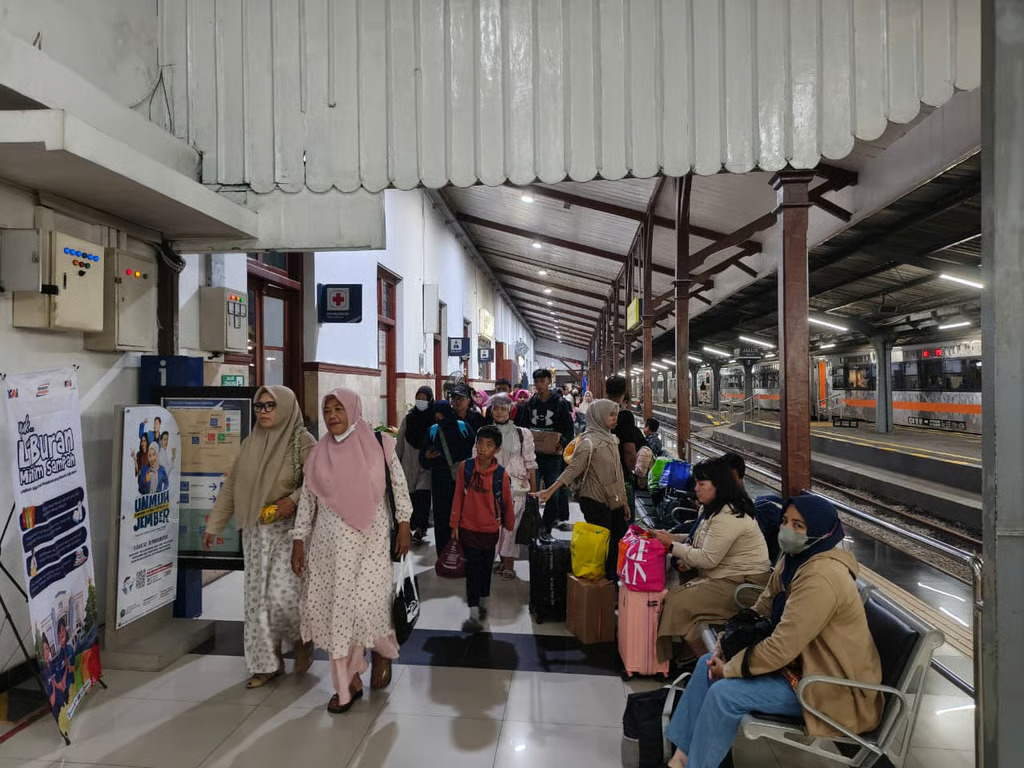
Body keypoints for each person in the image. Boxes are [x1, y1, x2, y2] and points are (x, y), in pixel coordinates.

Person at [663, 495, 883, 768]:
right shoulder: (794, 560)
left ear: (822, 532)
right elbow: (761, 608)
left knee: (725, 693)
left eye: (798, 525)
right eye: (785, 521)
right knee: (705, 665)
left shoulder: (822, 578)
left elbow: (782, 647)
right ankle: (680, 759)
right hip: (799, 666)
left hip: (830, 688)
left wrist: (730, 669)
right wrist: (724, 645)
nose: (787, 530)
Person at [290, 389, 413, 714]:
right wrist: (299, 540)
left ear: (353, 410)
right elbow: (308, 500)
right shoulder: (319, 454)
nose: (332, 416)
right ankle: (348, 684)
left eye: (338, 409)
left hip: (371, 544)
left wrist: (404, 523)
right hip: (329, 550)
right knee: (339, 612)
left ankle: (382, 650)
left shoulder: (380, 444)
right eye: (327, 410)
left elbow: (399, 485)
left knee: (368, 606)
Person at [204, 386, 316, 688]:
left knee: (283, 596)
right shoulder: (250, 443)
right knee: (257, 600)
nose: (264, 411)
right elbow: (232, 486)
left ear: (286, 407)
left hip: (290, 530)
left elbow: (318, 482)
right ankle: (266, 665)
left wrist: (292, 500)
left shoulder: (303, 441)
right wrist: (214, 525)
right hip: (256, 530)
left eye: (271, 405)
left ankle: (303, 640)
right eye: (259, 406)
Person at [652, 457, 772, 662]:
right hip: (726, 577)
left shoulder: (729, 517)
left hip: (743, 585)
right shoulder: (715, 509)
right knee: (681, 597)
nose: (696, 489)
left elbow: (707, 559)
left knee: (676, 600)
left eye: (702, 484)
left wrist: (671, 545)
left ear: (719, 485)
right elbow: (700, 540)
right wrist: (672, 537)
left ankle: (687, 662)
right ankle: (698, 660)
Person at [532, 399, 629, 582]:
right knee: (603, 545)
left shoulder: (612, 439)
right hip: (595, 500)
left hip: (614, 500)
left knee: (618, 541)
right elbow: (572, 470)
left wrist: (623, 501)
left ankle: (611, 581)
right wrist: (550, 490)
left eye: (616, 414)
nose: (615, 418)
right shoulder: (587, 442)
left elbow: (618, 474)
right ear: (598, 416)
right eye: (611, 414)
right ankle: (603, 584)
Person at [451, 425, 515, 633]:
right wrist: (454, 524)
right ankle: (473, 610)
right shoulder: (466, 467)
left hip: (489, 530)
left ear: (497, 449)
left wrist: (509, 524)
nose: (483, 448)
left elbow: (507, 501)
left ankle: (483, 603)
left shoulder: (501, 474)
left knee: (486, 568)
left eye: (489, 445)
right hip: (468, 527)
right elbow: (458, 495)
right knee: (472, 570)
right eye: (480, 443)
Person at [483, 393, 537, 579]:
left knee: (510, 527)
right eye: (495, 408)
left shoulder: (522, 434)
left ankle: (508, 564)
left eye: (503, 408)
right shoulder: (484, 432)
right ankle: (499, 560)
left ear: (510, 410)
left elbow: (530, 463)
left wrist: (534, 491)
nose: (499, 412)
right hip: (490, 487)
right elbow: (477, 459)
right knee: (493, 527)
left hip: (516, 488)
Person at [516, 369, 575, 536]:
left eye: (542, 381)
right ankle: (533, 524)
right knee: (531, 491)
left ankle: (547, 526)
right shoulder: (530, 404)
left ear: (549, 381)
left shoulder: (560, 403)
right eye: (537, 381)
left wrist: (561, 443)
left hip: (553, 457)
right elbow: (523, 426)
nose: (539, 385)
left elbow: (568, 429)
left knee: (552, 492)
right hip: (532, 456)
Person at [420, 400, 476, 554]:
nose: (439, 419)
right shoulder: (432, 431)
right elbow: (423, 461)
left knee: (464, 517)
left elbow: (475, 452)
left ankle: (464, 554)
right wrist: (427, 456)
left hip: (463, 480)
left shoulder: (463, 427)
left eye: (442, 415)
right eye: (436, 416)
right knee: (442, 519)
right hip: (440, 484)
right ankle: (444, 556)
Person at [396, 386, 435, 544]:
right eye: (418, 398)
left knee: (422, 495)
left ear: (430, 400)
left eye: (424, 399)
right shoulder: (409, 419)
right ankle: (412, 525)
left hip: (426, 465)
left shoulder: (433, 420)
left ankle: (420, 528)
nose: (420, 401)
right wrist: (395, 461)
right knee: (410, 496)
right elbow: (400, 441)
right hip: (408, 461)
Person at [605, 375, 646, 513]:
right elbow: (629, 450)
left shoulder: (595, 412)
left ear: (606, 391)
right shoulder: (624, 415)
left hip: (598, 471)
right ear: (625, 392)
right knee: (622, 516)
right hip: (619, 472)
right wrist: (634, 472)